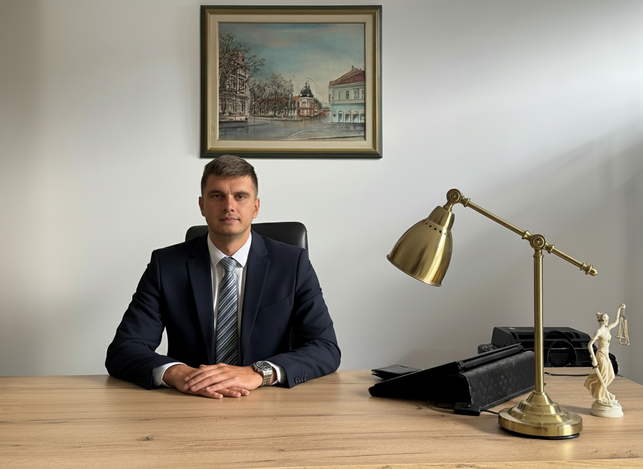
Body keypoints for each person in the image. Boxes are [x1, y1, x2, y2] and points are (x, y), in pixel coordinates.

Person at [106, 155, 340, 398]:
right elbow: (124, 348)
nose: (229, 206)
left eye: (240, 196)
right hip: (190, 400)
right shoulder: (166, 265)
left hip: (270, 400)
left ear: (256, 207)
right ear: (202, 206)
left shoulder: (292, 264)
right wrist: (178, 373)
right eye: (217, 196)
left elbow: (324, 347)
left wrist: (259, 373)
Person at [584, 303, 625, 406]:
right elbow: (590, 345)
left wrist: (619, 308)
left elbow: (616, 322)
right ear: (601, 321)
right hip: (601, 355)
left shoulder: (607, 329)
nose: (607, 321)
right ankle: (600, 396)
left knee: (611, 375)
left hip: (606, 355)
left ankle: (603, 392)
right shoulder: (599, 331)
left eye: (607, 319)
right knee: (603, 376)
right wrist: (594, 358)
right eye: (605, 319)